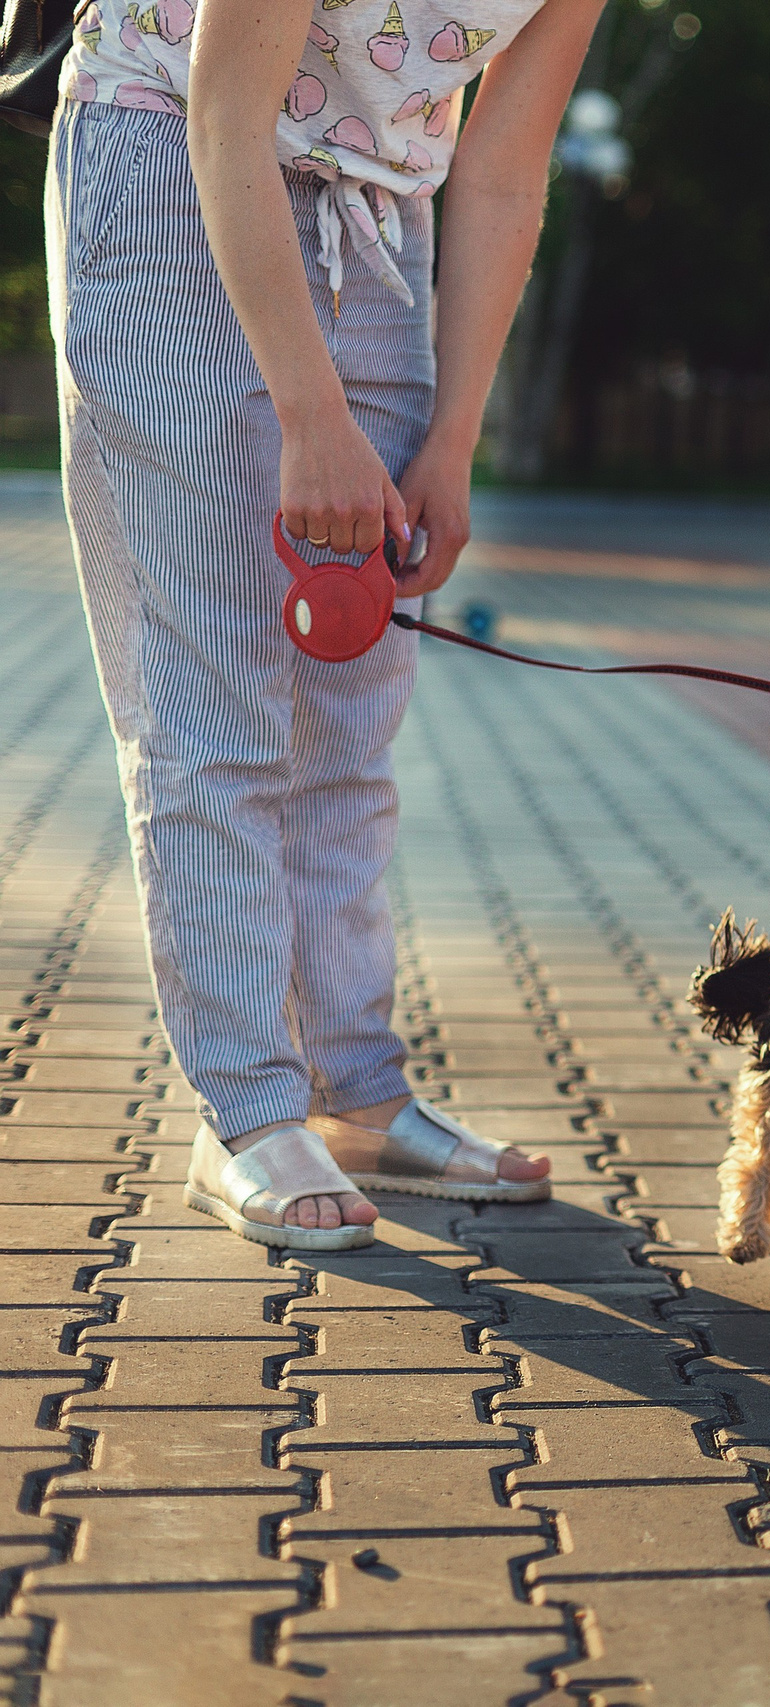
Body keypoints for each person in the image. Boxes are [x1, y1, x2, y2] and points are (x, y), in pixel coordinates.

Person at [49, 0, 608, 1248]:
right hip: (173, 164)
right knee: (217, 698)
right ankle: (246, 1109)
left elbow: (505, 173)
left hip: (384, 213)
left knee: (353, 703)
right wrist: (312, 417)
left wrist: (452, 442)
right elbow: (226, 117)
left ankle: (353, 1092)